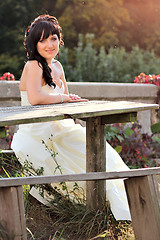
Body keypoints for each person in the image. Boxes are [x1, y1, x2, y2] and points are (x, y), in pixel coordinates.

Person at [11, 14, 131, 221]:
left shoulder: (57, 66)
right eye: (43, 40)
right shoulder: (33, 66)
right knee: (72, 160)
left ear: (60, 39)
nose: (49, 44)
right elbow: (35, 97)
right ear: (34, 43)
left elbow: (67, 100)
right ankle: (85, 212)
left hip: (61, 128)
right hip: (36, 132)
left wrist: (72, 105)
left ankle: (115, 209)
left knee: (102, 153)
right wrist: (65, 98)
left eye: (53, 38)